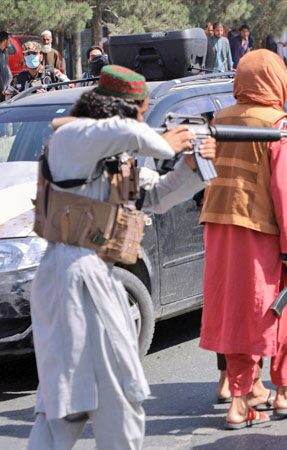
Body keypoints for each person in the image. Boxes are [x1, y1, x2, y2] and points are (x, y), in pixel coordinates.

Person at [27, 64, 214, 449]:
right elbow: (125, 130)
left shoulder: (113, 158)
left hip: (92, 275)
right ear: (121, 107)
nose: (144, 119)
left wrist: (191, 166)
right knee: (94, 399)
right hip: (72, 274)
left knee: (73, 404)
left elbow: (159, 196)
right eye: (141, 110)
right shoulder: (72, 136)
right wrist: (169, 140)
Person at [199, 49, 287, 428]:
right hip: (258, 229)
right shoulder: (276, 121)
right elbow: (282, 188)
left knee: (234, 311)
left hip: (217, 226)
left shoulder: (221, 117)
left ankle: (242, 397)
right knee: (271, 311)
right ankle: (276, 394)